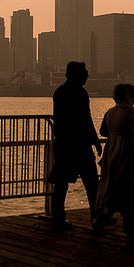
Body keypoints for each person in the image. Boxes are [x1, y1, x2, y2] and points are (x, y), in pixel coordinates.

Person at [47, 61, 104, 231]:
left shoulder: (60, 92)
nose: (87, 75)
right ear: (76, 74)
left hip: (64, 144)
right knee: (92, 183)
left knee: (61, 183)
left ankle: (58, 218)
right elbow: (86, 119)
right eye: (85, 72)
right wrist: (95, 141)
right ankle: (96, 217)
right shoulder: (80, 93)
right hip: (79, 145)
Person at [94, 83, 134, 244]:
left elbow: (103, 132)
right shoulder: (131, 114)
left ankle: (102, 218)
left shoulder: (110, 112)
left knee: (111, 188)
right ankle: (130, 229)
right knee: (130, 193)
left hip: (111, 155)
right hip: (127, 157)